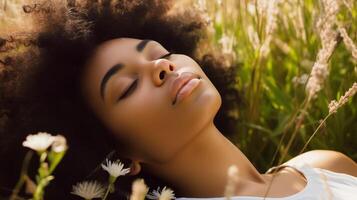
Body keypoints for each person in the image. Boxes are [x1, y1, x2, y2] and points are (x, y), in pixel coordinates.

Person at [0, 0, 356, 200]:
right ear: (124, 158)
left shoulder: (326, 164)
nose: (161, 66)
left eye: (160, 52)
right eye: (126, 87)